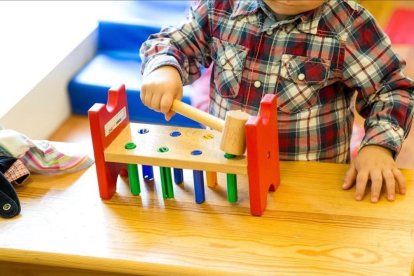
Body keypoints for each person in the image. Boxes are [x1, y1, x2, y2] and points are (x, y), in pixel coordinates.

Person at [139, 0, 414, 203]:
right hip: (226, 180)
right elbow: (173, 42)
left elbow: (391, 89)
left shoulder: (349, 24)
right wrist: (164, 68)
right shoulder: (218, 7)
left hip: (309, 188)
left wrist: (378, 147)